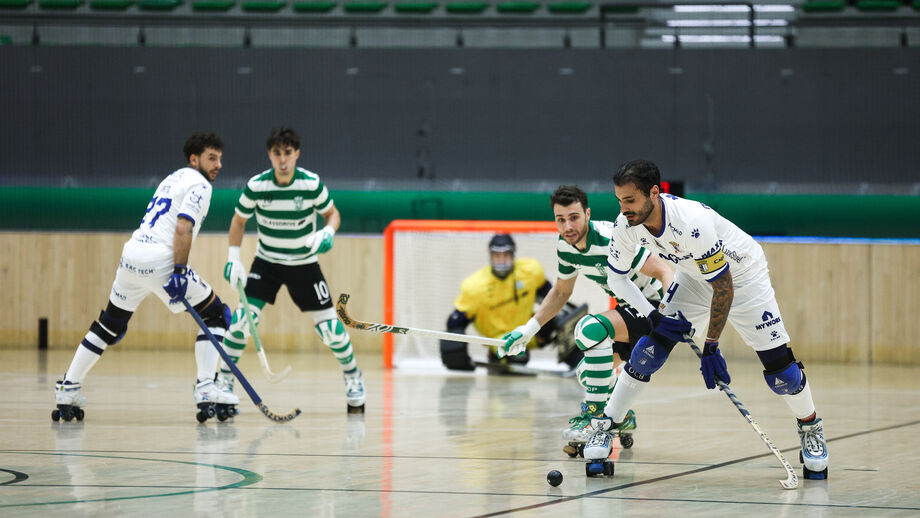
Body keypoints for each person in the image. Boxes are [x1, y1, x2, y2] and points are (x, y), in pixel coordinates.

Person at [597, 159, 827, 479]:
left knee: (782, 373)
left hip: (742, 277)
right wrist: (653, 317)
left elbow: (724, 287)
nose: (624, 209)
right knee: (648, 351)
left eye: (630, 200)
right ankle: (607, 425)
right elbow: (617, 278)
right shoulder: (627, 225)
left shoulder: (691, 222)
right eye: (619, 200)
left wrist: (711, 345)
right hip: (693, 277)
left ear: (654, 193)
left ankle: (811, 426)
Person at [53, 132, 238, 422]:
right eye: (211, 158)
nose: (218, 165)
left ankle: (68, 386)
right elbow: (182, 228)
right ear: (194, 159)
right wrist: (178, 271)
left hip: (132, 255)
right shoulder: (201, 185)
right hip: (161, 262)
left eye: (220, 159)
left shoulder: (171, 178)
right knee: (217, 314)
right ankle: (205, 386)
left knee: (110, 324)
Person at [499, 185, 675, 448]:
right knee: (587, 372)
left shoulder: (609, 238)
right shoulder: (565, 247)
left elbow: (663, 270)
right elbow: (560, 292)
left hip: (651, 309)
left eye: (574, 217)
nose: (567, 226)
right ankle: (622, 417)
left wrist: (668, 313)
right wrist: (527, 329)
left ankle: (593, 417)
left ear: (587, 214)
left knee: (590, 329)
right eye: (560, 220)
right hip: (628, 311)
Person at [219, 126, 365, 412]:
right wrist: (233, 257)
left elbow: (332, 214)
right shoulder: (258, 186)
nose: (282, 160)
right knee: (241, 323)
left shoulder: (310, 184)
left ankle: (353, 376)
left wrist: (328, 233)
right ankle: (223, 382)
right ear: (270, 156)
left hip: (304, 264)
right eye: (276, 154)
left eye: (288, 153)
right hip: (267, 263)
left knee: (330, 330)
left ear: (296, 154)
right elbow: (238, 221)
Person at [439, 234, 555, 372]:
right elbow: (454, 324)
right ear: (490, 256)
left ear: (513, 255)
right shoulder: (475, 286)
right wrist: (456, 351)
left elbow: (551, 297)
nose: (501, 260)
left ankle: (572, 357)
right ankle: (496, 354)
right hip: (498, 339)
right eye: (497, 255)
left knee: (558, 317)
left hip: (526, 331)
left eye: (506, 255)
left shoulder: (530, 271)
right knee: (518, 356)